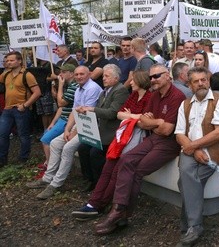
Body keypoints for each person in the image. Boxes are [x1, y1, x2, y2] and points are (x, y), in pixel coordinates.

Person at [94, 64, 185, 235]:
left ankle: (120, 214)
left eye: (157, 76)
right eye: (151, 77)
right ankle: (119, 211)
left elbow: (167, 130)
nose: (153, 80)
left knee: (135, 170)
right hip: (153, 138)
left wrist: (155, 123)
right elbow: (142, 121)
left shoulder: (177, 96)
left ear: (168, 76)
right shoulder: (154, 95)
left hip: (168, 144)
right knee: (125, 159)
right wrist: (157, 122)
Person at [71, 70, 151, 220]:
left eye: (133, 80)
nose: (130, 82)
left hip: (135, 140)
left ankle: (100, 204)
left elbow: (145, 121)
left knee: (116, 171)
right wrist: (133, 117)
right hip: (123, 136)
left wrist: (130, 116)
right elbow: (120, 114)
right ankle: (93, 203)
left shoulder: (149, 97)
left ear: (140, 81)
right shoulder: (134, 95)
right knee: (108, 168)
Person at [26, 66, 103, 199]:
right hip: (81, 125)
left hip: (93, 128)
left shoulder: (92, 88)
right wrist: (67, 129)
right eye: (77, 74)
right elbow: (75, 111)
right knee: (55, 143)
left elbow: (88, 116)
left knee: (67, 148)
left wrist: (73, 132)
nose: (79, 77)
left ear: (89, 74)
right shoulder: (79, 88)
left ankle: (56, 184)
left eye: (82, 74)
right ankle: (47, 178)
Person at [175, 67, 219, 245]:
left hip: (213, 151)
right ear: (189, 85)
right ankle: (195, 226)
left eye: (204, 80)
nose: (201, 83)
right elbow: (179, 134)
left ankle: (190, 225)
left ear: (208, 81)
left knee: (186, 180)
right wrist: (193, 148)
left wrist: (193, 146)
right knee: (188, 176)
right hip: (191, 150)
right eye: (196, 81)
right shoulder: (184, 104)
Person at [77, 64, 129, 191]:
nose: (104, 78)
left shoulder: (120, 90)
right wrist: (85, 111)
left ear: (116, 78)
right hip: (100, 130)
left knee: (95, 153)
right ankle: (89, 179)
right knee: (82, 148)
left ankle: (99, 183)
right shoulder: (105, 91)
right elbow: (99, 110)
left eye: (107, 76)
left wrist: (92, 109)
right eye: (103, 76)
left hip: (111, 133)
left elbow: (112, 113)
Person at [0, 51, 42, 166]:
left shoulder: (27, 75)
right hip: (7, 109)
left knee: (23, 135)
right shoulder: (6, 74)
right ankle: (2, 160)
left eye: (12, 60)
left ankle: (24, 159)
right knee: (2, 134)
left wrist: (25, 105)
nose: (9, 62)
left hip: (21, 109)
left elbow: (37, 92)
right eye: (7, 60)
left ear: (19, 61)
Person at [39, 64, 78, 170]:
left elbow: (60, 103)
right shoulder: (69, 86)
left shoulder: (74, 87)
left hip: (67, 120)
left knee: (45, 140)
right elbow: (61, 108)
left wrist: (60, 86)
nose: (60, 75)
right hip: (63, 118)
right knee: (46, 134)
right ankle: (49, 161)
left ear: (71, 74)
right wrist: (52, 123)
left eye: (63, 72)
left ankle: (51, 166)